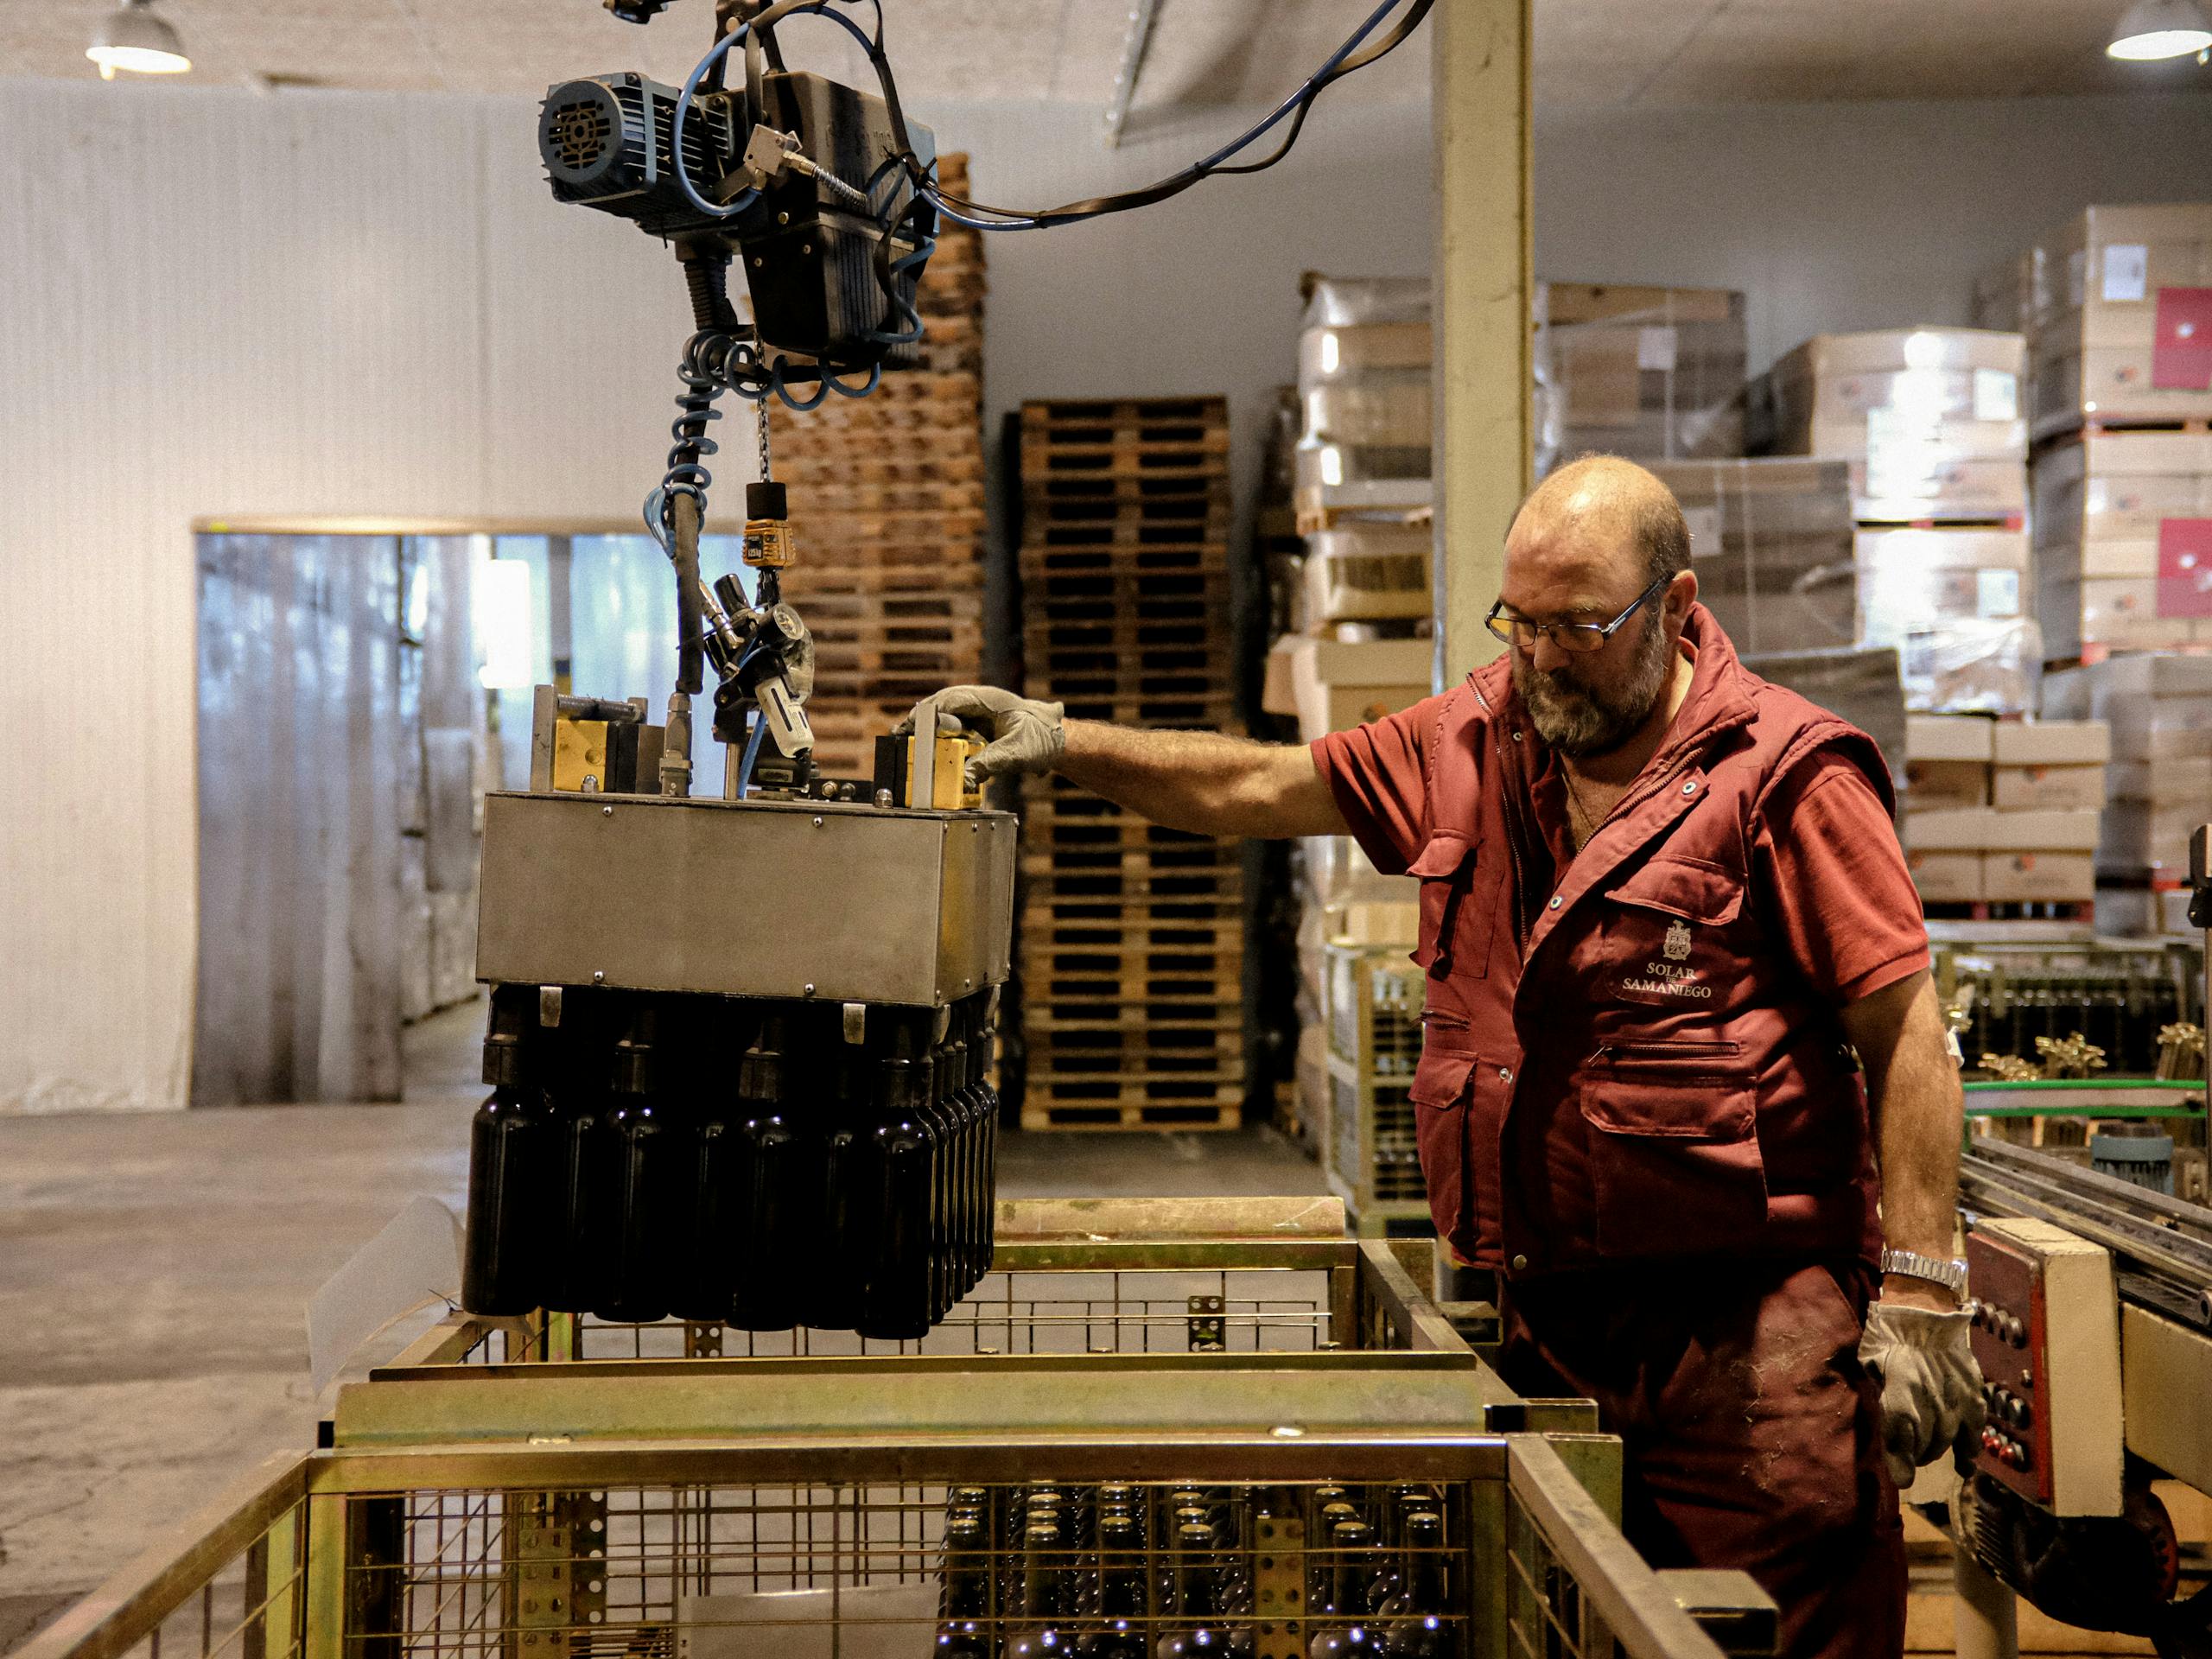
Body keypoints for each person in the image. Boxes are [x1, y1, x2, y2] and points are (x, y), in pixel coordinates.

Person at [904, 454, 1980, 1659]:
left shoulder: (1785, 776)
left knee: (1789, 1616)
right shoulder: (1476, 737)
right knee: (1586, 1621)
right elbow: (1260, 784)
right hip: (1554, 1327)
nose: (1542, 658)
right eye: (1519, 624)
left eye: (1580, 625)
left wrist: (1926, 1296)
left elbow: (1908, 1033)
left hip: (1745, 1340)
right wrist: (1061, 742)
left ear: (1678, 611)